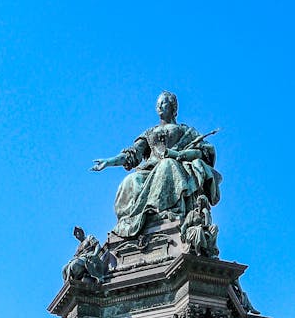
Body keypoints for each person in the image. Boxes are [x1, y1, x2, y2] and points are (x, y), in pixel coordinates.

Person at [91, 91, 222, 238]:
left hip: (175, 167)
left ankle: (164, 212)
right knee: (131, 180)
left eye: (163, 103)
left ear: (173, 107)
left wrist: (181, 155)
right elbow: (132, 154)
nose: (159, 106)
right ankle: (135, 220)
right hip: (149, 171)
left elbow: (203, 151)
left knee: (167, 165)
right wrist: (109, 162)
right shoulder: (150, 132)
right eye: (157, 104)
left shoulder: (187, 131)